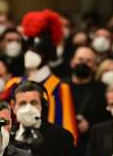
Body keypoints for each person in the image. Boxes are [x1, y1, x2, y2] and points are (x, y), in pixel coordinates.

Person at [5, 9, 78, 141]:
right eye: (27, 49)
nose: (29, 54)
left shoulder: (60, 89)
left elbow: (68, 134)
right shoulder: (13, 84)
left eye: (35, 50)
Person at [67, 45, 108, 154]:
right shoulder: (60, 87)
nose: (83, 63)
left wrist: (89, 126)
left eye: (88, 61)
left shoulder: (103, 90)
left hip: (91, 146)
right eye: (80, 59)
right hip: (64, 143)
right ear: (72, 62)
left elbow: (107, 119)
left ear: (95, 66)